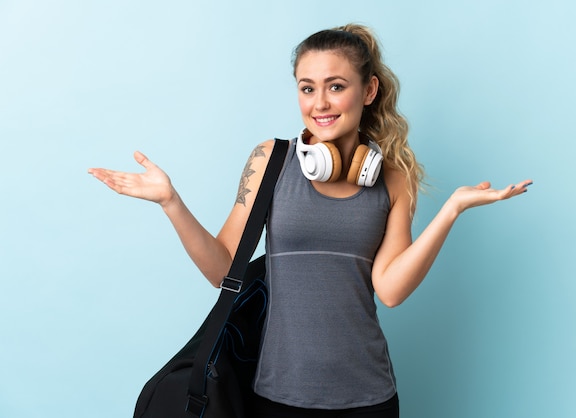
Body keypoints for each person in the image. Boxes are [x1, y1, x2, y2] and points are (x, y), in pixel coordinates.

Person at [88, 23, 532, 418]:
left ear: (369, 90)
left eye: (336, 86)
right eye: (307, 88)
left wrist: (451, 210)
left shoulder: (395, 180)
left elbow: (391, 290)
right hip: (277, 397)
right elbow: (223, 270)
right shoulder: (270, 161)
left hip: (369, 397)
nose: (319, 103)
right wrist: (172, 203)